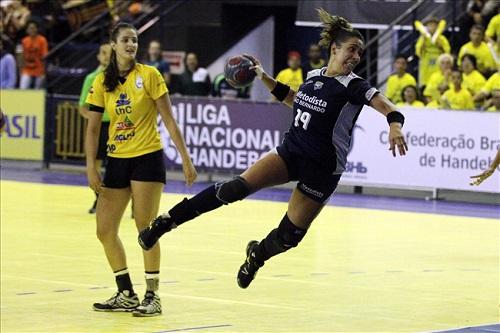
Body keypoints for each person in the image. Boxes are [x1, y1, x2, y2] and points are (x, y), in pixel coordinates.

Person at [138, 9, 408, 289]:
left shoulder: (354, 86)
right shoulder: (314, 76)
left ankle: (256, 256)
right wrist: (263, 77)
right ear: (334, 48)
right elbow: (294, 99)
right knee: (234, 188)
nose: (355, 57)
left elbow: (389, 107)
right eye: (351, 50)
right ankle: (166, 222)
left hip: (322, 170)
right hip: (291, 153)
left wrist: (395, 126)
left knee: (290, 236)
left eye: (359, 53)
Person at [85, 22, 197, 316]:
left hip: (147, 158)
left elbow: (169, 120)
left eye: (134, 40)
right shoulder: (101, 82)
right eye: (125, 40)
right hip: (116, 161)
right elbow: (93, 128)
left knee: (146, 229)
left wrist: (185, 159)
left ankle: (153, 295)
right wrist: (91, 168)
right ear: (113, 44)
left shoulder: (149, 75)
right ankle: (125, 292)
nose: (131, 45)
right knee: (104, 229)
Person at [79, 42, 112, 214]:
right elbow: (82, 107)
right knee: (96, 165)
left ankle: (132, 203)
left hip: (116, 127)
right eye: (103, 53)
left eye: (109, 53)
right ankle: (98, 198)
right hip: (99, 127)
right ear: (99, 56)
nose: (107, 56)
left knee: (118, 165)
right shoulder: (92, 78)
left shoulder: (121, 78)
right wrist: (93, 120)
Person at [415, 16, 450, 88]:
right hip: (426, 62)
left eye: (434, 25)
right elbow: (418, 52)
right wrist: (424, 42)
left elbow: (447, 53)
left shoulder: (442, 38)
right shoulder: (422, 38)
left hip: (438, 60)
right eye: (430, 25)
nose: (432, 27)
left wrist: (440, 46)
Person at [19, 20, 47, 89]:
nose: (32, 30)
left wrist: (44, 72)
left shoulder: (42, 40)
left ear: (37, 29)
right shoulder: (24, 41)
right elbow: (21, 57)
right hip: (27, 69)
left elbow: (45, 56)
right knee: (23, 88)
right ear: (27, 30)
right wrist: (21, 71)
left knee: (37, 90)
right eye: (30, 28)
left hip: (39, 69)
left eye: (33, 28)